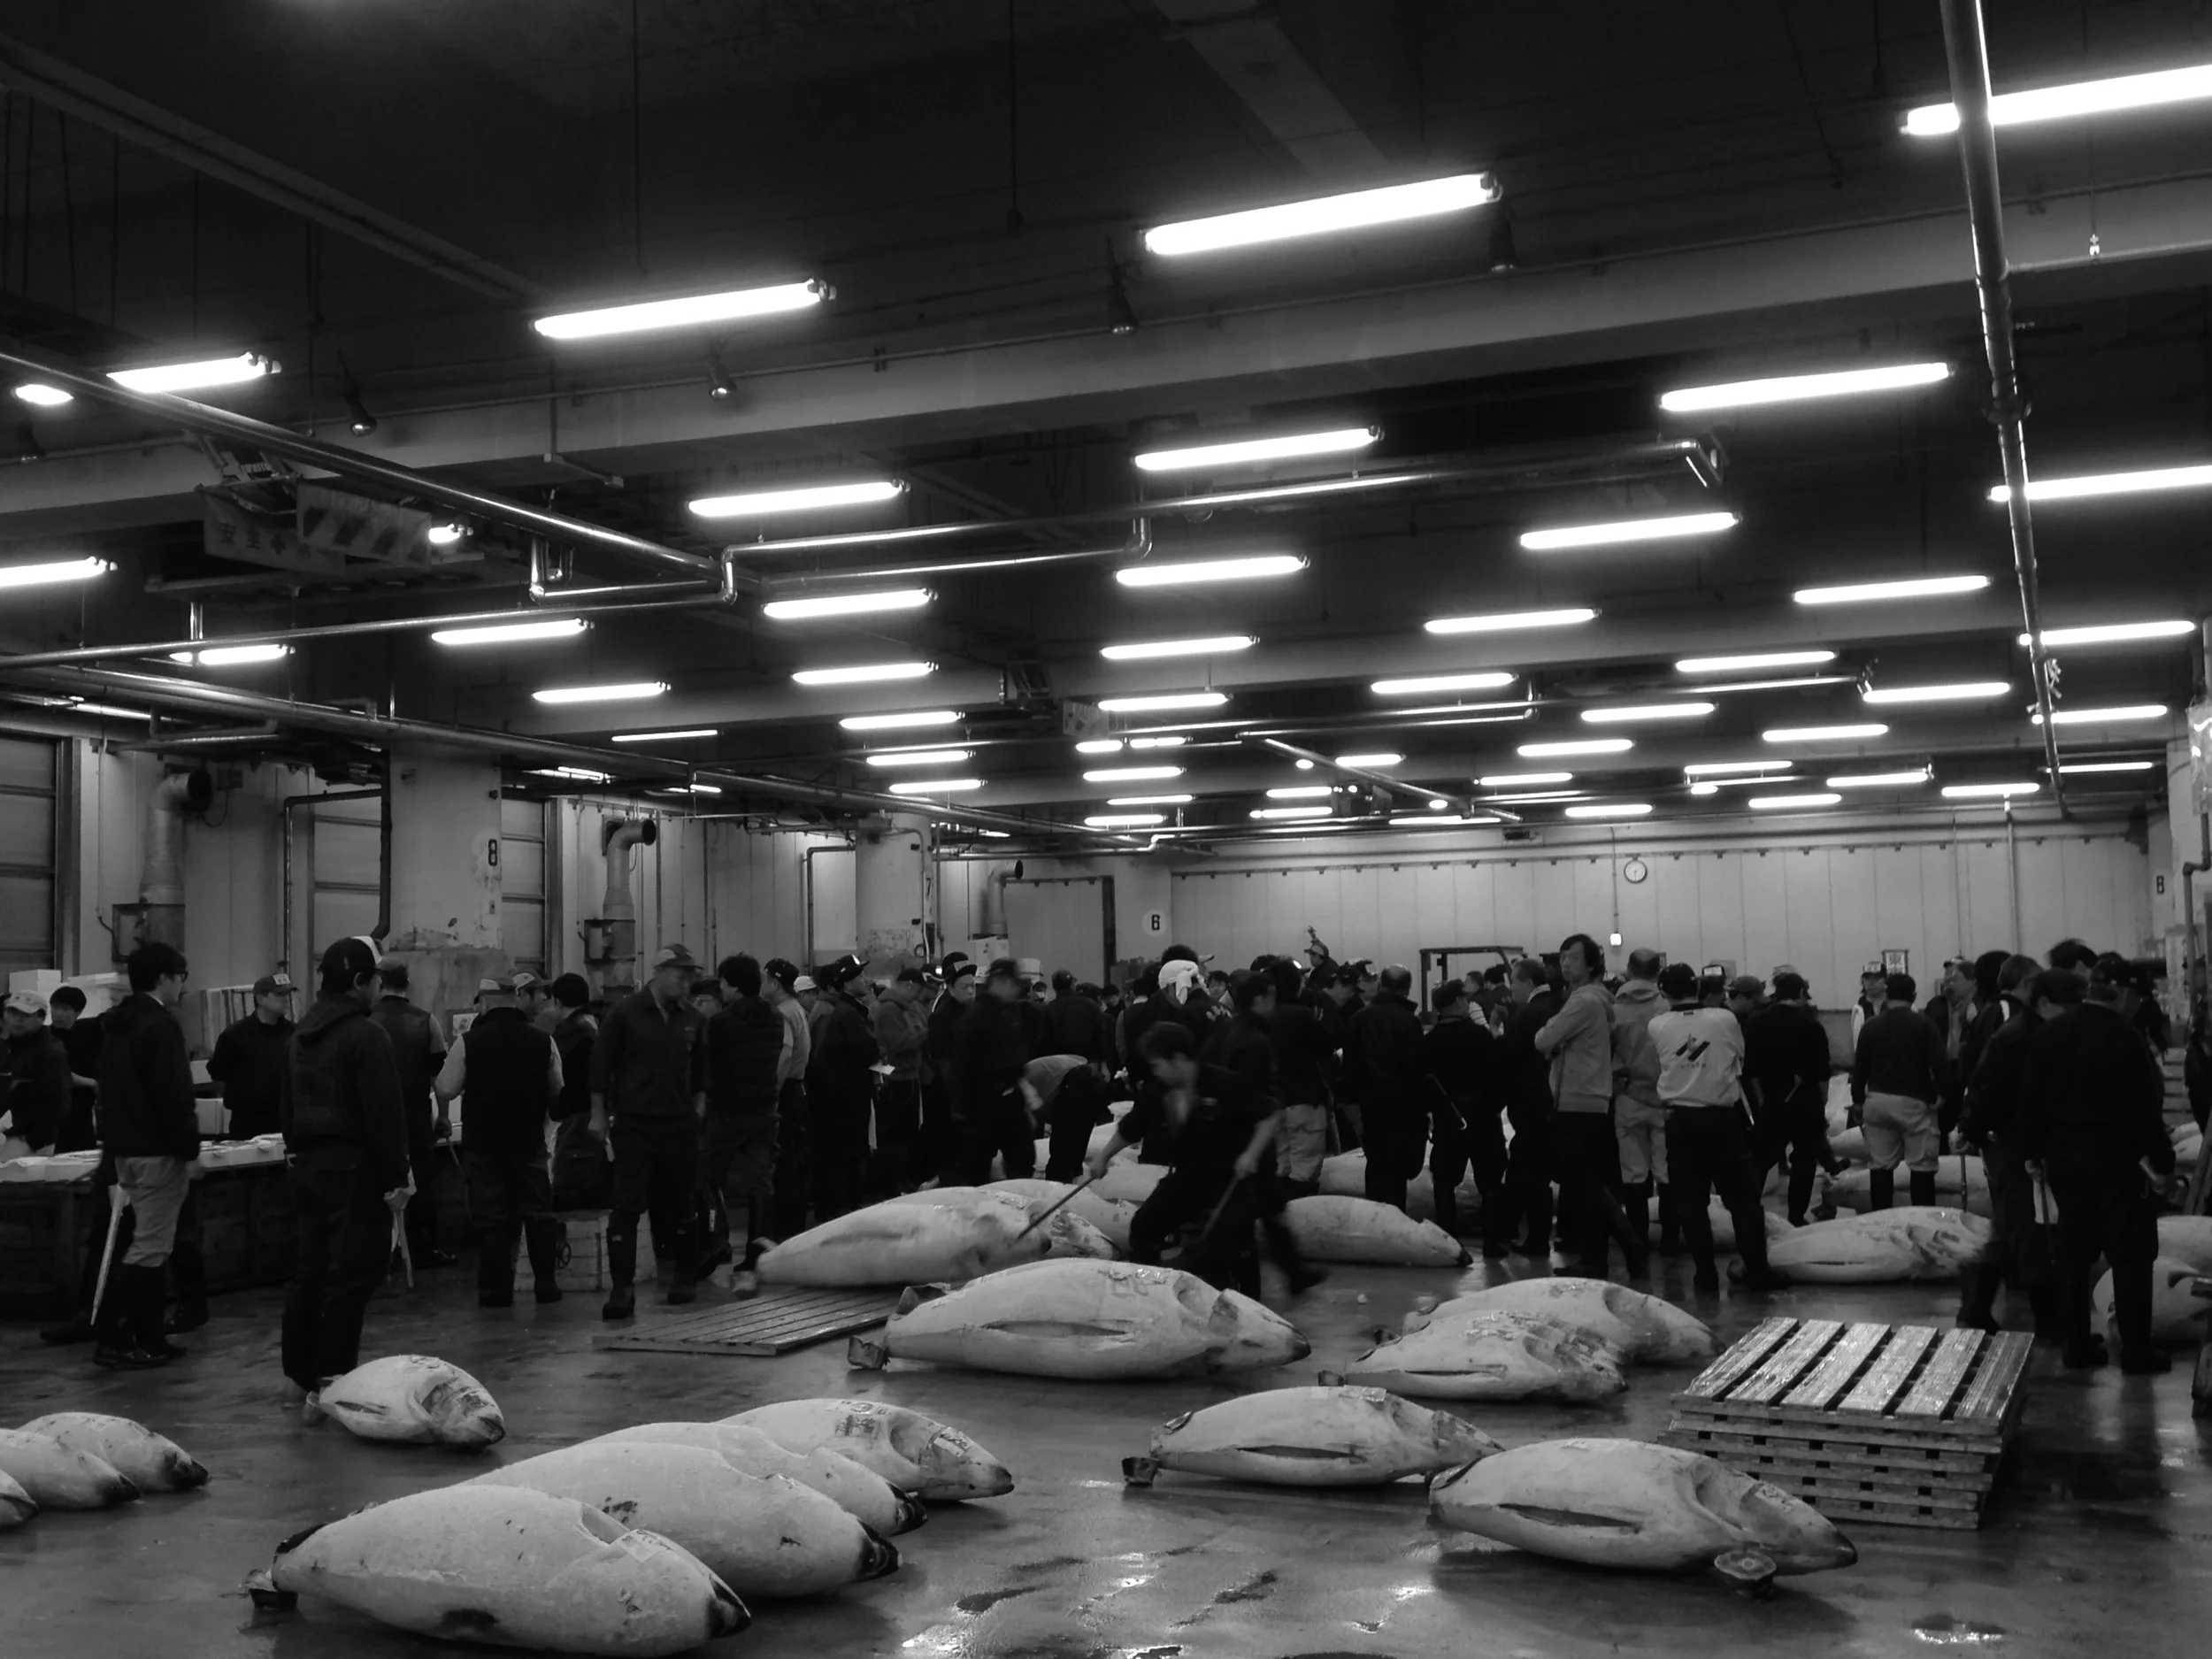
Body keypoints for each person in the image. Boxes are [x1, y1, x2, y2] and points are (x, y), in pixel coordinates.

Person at [2017, 956, 2175, 1372]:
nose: (2139, 1005)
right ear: (2123, 994)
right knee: (2131, 1258)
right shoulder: (2125, 1038)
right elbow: (2143, 1110)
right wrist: (2163, 1162)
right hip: (2117, 1164)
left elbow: (2030, 1100)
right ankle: (2137, 1351)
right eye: (2138, 997)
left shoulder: (2050, 1035)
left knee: (2073, 1255)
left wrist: (2033, 1153)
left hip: (2065, 1163)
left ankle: (2077, 1346)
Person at [1093, 1022, 1316, 1295]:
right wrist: (1102, 1159)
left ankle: (1236, 1301)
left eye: (1158, 1063)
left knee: (1225, 1238)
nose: (1156, 1071)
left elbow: (1269, 1114)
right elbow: (1130, 1129)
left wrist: (1250, 1154)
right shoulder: (1159, 1092)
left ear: (1178, 1059)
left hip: (1232, 1179)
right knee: (1144, 1226)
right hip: (1188, 1177)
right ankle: (1150, 1291)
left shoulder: (1225, 1083)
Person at [281, 937, 409, 1404]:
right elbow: (384, 1113)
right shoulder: (366, 1035)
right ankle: (335, 1378)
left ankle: (298, 1373)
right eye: (376, 979)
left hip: (307, 1167)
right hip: (355, 1169)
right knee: (352, 1273)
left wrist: (296, 1152)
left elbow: (287, 1102)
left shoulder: (300, 1034)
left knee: (310, 1269)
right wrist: (397, 1175)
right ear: (360, 982)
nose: (379, 987)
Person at [88, 944, 198, 1371]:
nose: (182, 984)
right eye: (181, 976)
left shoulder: (116, 1025)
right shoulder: (160, 1025)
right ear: (166, 978)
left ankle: (149, 1335)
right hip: (158, 1152)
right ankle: (116, 1337)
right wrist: (188, 1150)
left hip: (124, 1151)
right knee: (149, 1248)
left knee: (148, 1243)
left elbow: (109, 1091)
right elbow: (174, 1094)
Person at [1649, 962, 1790, 1294]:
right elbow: (1737, 1059)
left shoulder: (1657, 1025)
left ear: (1663, 993)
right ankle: (1758, 1271)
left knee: (1692, 1201)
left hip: (1679, 1121)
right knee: (1743, 1199)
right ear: (1698, 988)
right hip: (1721, 1120)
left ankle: (1704, 1274)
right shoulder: (1725, 1019)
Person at [589, 943, 710, 1319]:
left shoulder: (692, 1018)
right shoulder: (624, 1014)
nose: (687, 981)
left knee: (681, 1201)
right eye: (680, 973)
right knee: (627, 1205)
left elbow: (704, 1072)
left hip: (678, 1122)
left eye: (691, 974)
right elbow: (600, 1067)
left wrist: (698, 1110)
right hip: (634, 1123)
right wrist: (597, 1115)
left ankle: (684, 1278)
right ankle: (622, 1290)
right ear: (658, 971)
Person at [435, 976, 564, 1308]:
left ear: (486, 1002)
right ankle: (546, 1285)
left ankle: (495, 1291)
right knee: (537, 1214)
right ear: (514, 999)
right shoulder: (543, 1041)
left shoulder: (468, 1042)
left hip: (484, 1144)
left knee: (491, 1216)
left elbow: (446, 1088)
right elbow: (557, 1087)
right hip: (529, 1141)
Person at [1955, 956, 2064, 1338]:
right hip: (2012, 1141)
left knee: (2008, 1226)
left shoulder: (2007, 1021)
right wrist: (1975, 1127)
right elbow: (1991, 1082)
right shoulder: (2014, 1026)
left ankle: (1975, 1307)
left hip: (2006, 1137)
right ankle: (2049, 1324)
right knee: (2027, 1227)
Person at [1535, 934, 1645, 1277]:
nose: (1565, 963)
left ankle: (1621, 1248)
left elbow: (1543, 1039)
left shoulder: (1583, 1001)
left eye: (1573, 958)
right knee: (1589, 1184)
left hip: (1578, 1101)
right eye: (1563, 957)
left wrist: (1554, 1042)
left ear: (1592, 964)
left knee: (1585, 1185)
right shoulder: (1599, 999)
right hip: (1594, 1098)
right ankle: (1602, 1256)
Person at [702, 953, 785, 1297]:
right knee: (760, 1184)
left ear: (732, 985)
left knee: (705, 1178)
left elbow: (710, 1066)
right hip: (765, 1111)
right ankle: (757, 1252)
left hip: (726, 1113)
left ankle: (715, 1241)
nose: (720, 988)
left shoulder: (721, 1023)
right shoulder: (776, 1018)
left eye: (722, 982)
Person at [368, 961, 454, 1270]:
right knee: (422, 1184)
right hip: (416, 1118)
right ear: (409, 984)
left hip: (372, 1121)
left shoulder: (365, 1021)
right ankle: (424, 1249)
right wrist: (442, 1118)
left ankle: (380, 1254)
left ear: (379, 983)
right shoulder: (427, 1021)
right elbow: (441, 1081)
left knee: (376, 1185)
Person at [1745, 972, 1834, 1226]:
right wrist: (1822, 1102)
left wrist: (1761, 1100)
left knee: (1761, 1160)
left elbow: (1750, 1069)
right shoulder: (1811, 1025)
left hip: (1771, 1101)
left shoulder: (1756, 1022)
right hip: (1806, 1103)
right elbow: (1822, 1071)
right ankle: (1795, 1217)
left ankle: (1749, 1215)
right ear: (1802, 994)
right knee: (1804, 1160)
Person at [1849, 972, 1945, 1210]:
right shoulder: (1923, 1023)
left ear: (1887, 995)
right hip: (1914, 1104)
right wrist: (1942, 1095)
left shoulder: (1871, 1026)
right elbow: (1940, 1064)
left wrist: (1858, 1101)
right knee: (1921, 1166)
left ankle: (1881, 1223)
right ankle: (1921, 1221)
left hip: (1877, 1102)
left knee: (1880, 1167)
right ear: (1913, 996)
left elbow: (1859, 1068)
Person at [1425, 979, 1508, 1253]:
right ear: (1458, 1003)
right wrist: (1495, 1106)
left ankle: (1447, 1242)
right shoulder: (1480, 1037)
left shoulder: (1429, 1041)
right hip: (1483, 1118)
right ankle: (1493, 1242)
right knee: (1491, 1181)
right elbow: (1499, 1075)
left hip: (1448, 1120)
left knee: (1445, 1180)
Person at [1609, 950, 1674, 1255]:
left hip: (1628, 1097)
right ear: (1658, 971)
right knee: (1667, 1174)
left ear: (1629, 970)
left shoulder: (1614, 1009)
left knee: (1633, 1175)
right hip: (1666, 1100)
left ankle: (1637, 1241)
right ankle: (1671, 1241)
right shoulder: (1667, 1008)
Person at [1349, 964, 1429, 1213]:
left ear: (1381, 985)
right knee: (1398, 1170)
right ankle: (1395, 1218)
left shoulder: (1359, 1019)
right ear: (1408, 988)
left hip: (1369, 1106)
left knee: (1375, 1164)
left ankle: (1374, 1220)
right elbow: (1417, 1069)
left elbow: (1350, 1065)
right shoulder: (1409, 1022)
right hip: (1402, 1107)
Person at [807, 956, 880, 1218]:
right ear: (846, 984)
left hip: (841, 1102)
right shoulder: (846, 1013)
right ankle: (840, 1213)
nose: (866, 980)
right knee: (844, 1160)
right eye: (859, 976)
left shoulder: (846, 1010)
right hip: (844, 1104)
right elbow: (869, 1051)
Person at [949, 957, 1033, 1183]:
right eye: (1014, 983)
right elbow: (961, 1065)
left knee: (1023, 1160)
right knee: (976, 1169)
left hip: (1011, 1100)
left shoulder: (1011, 1011)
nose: (1017, 989)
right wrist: (962, 1109)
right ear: (1001, 981)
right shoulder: (975, 1017)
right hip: (982, 1105)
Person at [1498, 957, 1557, 1256]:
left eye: (1515, 983)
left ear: (1529, 983)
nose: (1512, 990)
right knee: (1533, 1172)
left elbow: (1509, 1058)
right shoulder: (1560, 1005)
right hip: (1554, 1102)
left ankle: (1532, 1238)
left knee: (1529, 1174)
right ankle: (1518, 1233)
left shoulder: (1529, 1014)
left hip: (1531, 1104)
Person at [1267, 958, 1336, 1196]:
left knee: (1281, 1165)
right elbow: (1326, 1047)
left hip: (1273, 1103)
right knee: (1304, 1168)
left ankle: (1277, 1220)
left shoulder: (1261, 1016)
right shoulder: (1302, 1015)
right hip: (1304, 1099)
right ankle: (1299, 1223)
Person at [206, 972, 296, 1141]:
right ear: (260, 999)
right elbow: (218, 1073)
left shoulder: (295, 1034)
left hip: (285, 1122)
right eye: (279, 994)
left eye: (287, 994)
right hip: (247, 1124)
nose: (285, 999)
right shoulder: (235, 1036)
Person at [763, 958, 814, 1237]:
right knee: (794, 1161)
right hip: (798, 1088)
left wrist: (772, 1096)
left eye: (764, 979)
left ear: (773, 981)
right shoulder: (797, 1008)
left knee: (784, 1164)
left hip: (787, 1091)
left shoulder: (782, 1012)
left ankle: (784, 1230)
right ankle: (793, 1226)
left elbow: (783, 1058)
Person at [872, 967, 932, 1194]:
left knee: (908, 1134)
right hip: (895, 1080)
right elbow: (900, 1043)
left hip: (908, 1078)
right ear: (908, 985)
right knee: (894, 1136)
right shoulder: (888, 1009)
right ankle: (893, 1183)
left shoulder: (908, 1007)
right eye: (917, 990)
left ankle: (903, 1179)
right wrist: (926, 1033)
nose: (918, 996)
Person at [4, 989, 72, 1156]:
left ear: (41, 1018)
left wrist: (33, 1142)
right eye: (13, 1013)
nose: (18, 1020)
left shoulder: (50, 1051)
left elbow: (59, 1103)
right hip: (18, 1135)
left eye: (26, 1015)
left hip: (39, 1143)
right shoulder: (12, 1048)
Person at [924, 958, 973, 1183]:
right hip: (949, 1096)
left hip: (967, 1093)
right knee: (951, 1150)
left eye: (974, 986)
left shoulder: (973, 1012)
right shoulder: (942, 1016)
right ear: (951, 988)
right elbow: (941, 1059)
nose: (972, 991)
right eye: (965, 987)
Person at [47, 985, 101, 1154]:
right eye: (55, 1008)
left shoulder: (88, 1037)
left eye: (66, 1009)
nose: (59, 1013)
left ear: (78, 1012)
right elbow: (54, 1073)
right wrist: (90, 1083)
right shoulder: (45, 1038)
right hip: (52, 1116)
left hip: (81, 1117)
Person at [1044, 970, 1106, 1065]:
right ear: (1072, 985)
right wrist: (1102, 1062)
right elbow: (1100, 1035)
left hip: (1058, 1065)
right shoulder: (1089, 1005)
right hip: (1087, 1063)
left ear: (1054, 987)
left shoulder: (1048, 1009)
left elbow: (1044, 1040)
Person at [1850, 965, 1886, 1048]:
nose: (1871, 983)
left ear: (1885, 980)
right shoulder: (1858, 1008)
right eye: (1867, 979)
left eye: (1876, 979)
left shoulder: (1895, 1005)